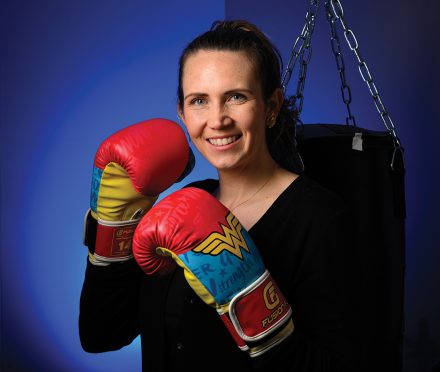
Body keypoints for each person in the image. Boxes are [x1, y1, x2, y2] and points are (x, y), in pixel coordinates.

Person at [79, 20, 359, 371]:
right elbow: (101, 334)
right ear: (182, 113)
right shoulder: (181, 209)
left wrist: (258, 312)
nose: (217, 119)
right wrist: (111, 231)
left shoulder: (318, 218)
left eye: (236, 97)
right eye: (199, 101)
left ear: (271, 106)